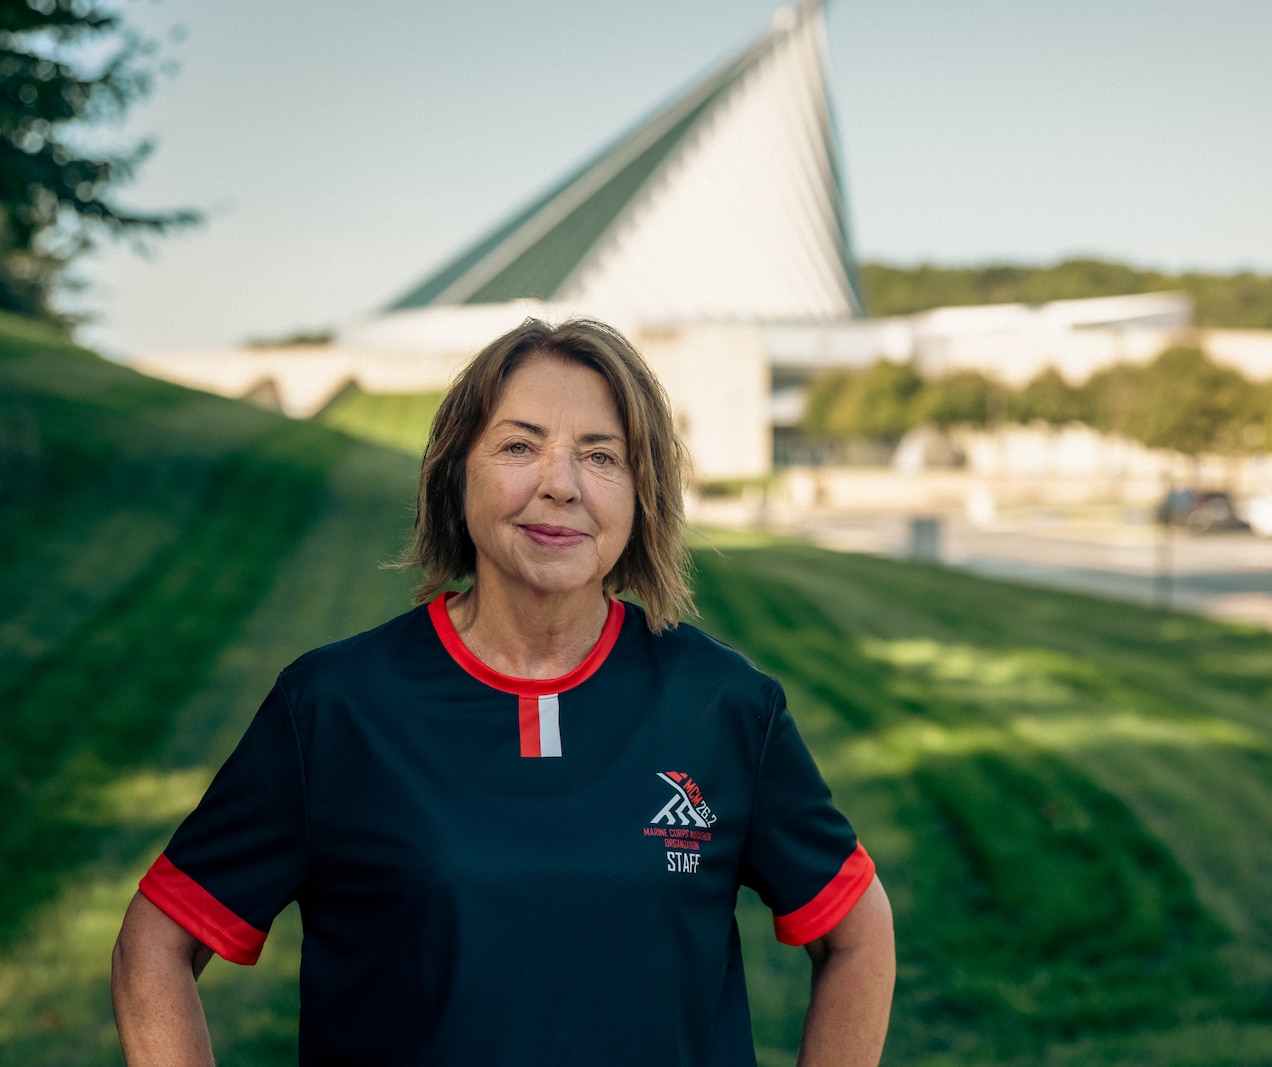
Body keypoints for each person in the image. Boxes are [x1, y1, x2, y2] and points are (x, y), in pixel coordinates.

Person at [111, 318, 895, 1066]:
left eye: (600, 455)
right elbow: (157, 939)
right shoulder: (336, 707)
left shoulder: (724, 704)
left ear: (640, 493)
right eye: (520, 445)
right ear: (455, 475)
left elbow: (858, 933)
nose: (559, 485)